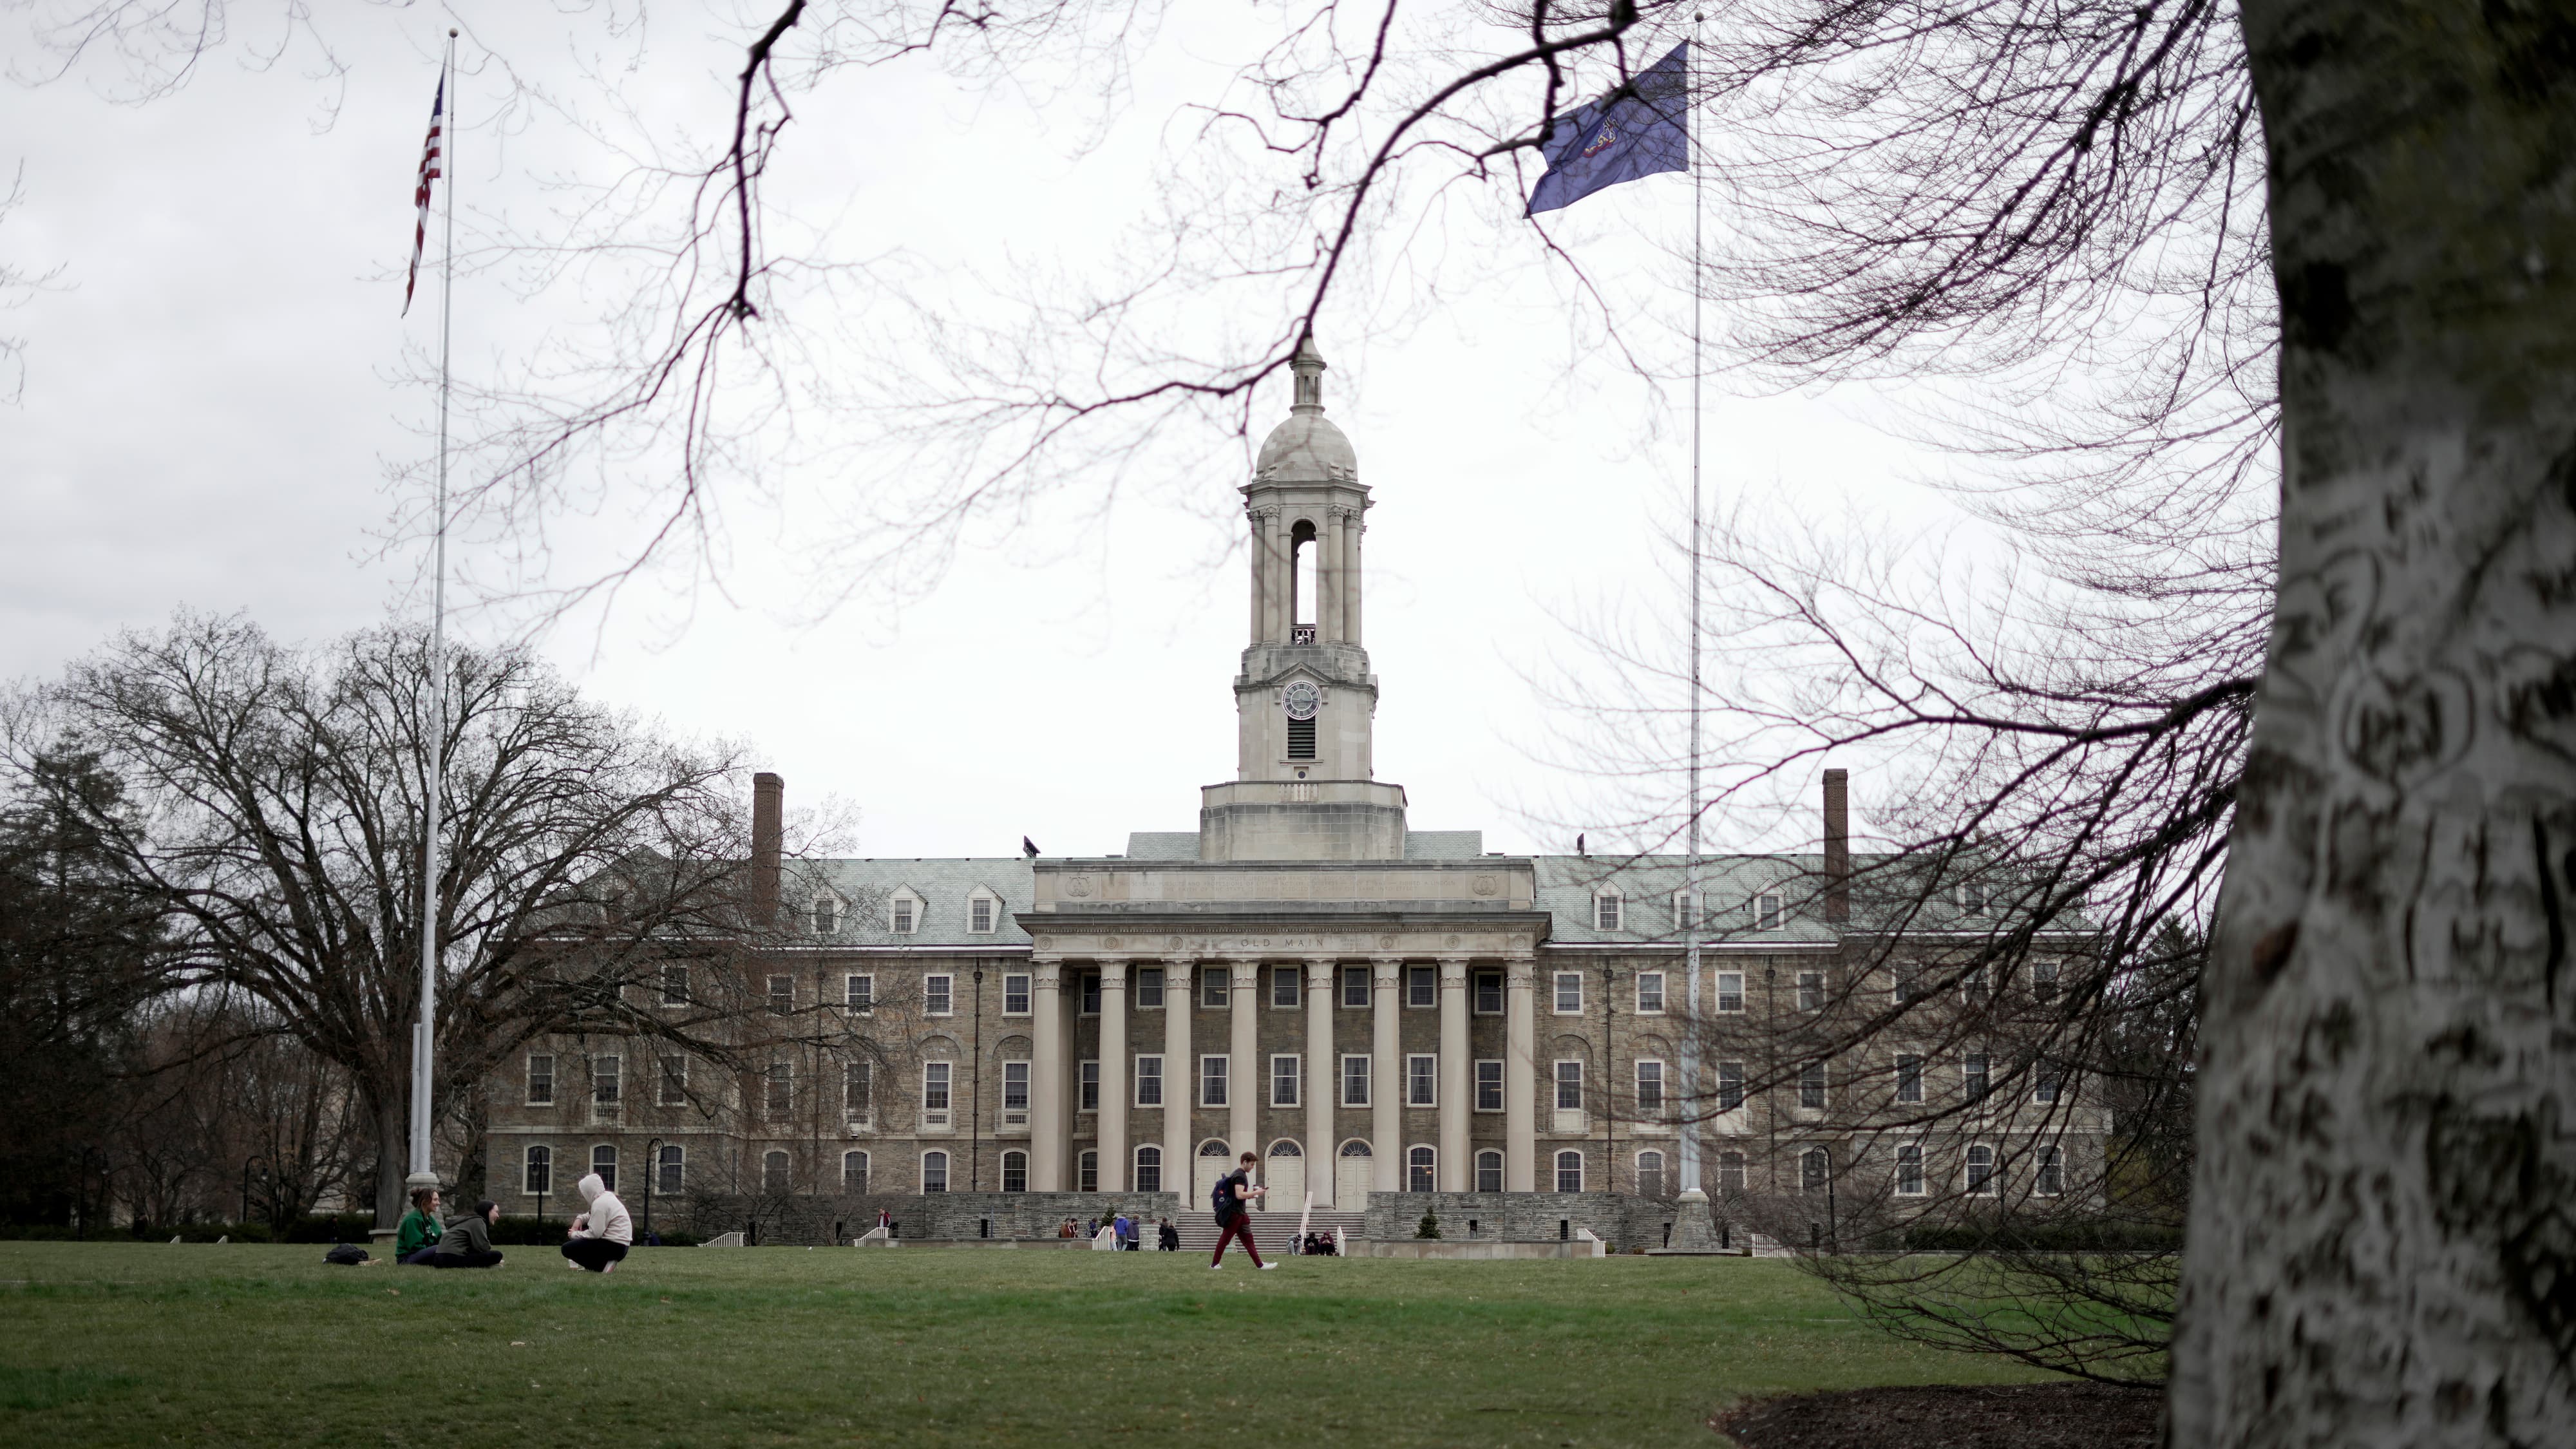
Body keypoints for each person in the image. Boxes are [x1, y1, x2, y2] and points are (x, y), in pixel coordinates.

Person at [1210, 1150, 1273, 1269]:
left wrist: (1253, 1194)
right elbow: (1239, 1195)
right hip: (1235, 1213)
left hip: (1240, 1213)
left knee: (1248, 1240)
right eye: (1252, 1164)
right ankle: (1214, 1264)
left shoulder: (1238, 1174)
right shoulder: (1240, 1175)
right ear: (1245, 1162)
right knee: (1225, 1239)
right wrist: (1256, 1192)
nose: (1253, 1167)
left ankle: (1260, 1265)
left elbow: (1238, 1195)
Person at [560, 1171, 632, 1273]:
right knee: (582, 1243)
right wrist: (580, 1219)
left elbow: (595, 1233)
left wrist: (574, 1235)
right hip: (622, 1247)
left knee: (567, 1249)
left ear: (589, 1192)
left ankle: (601, 1266)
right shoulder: (607, 1197)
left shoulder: (599, 1204)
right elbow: (591, 1214)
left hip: (614, 1246)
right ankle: (602, 1265)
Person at [428, 1200, 506, 1269]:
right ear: (488, 1211)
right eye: (496, 1212)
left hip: (438, 1259)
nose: (498, 1216)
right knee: (497, 1255)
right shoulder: (478, 1221)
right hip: (450, 1259)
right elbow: (483, 1248)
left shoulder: (468, 1219)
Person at [394, 1187, 444, 1264]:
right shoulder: (413, 1219)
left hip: (425, 1254)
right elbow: (415, 1247)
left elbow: (440, 1239)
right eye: (435, 1200)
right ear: (425, 1201)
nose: (438, 1203)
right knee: (437, 1249)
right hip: (407, 1258)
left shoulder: (431, 1220)